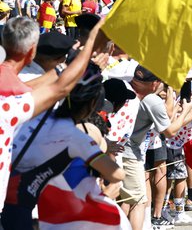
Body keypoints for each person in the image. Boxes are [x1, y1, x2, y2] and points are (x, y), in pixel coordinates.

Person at [2, 67, 125, 228]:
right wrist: (105, 195)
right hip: (18, 209)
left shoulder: (39, 112)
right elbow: (117, 174)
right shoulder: (77, 136)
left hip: (7, 193)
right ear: (92, 106)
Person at [119, 65, 192, 230]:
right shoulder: (151, 100)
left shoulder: (125, 86)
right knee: (138, 200)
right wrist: (187, 110)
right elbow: (170, 130)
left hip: (117, 148)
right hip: (130, 152)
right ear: (155, 83)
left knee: (126, 198)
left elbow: (170, 125)